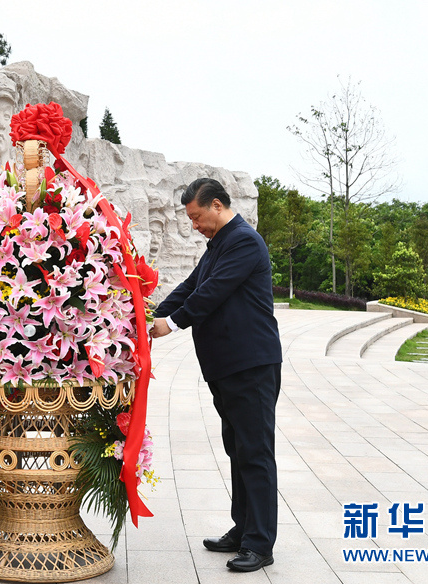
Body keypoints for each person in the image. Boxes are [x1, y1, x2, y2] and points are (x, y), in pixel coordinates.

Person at [151, 177, 282, 572]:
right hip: (228, 368)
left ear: (218, 205)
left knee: (255, 453)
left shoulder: (242, 240)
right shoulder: (218, 246)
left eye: (197, 217)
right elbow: (192, 286)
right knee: (238, 449)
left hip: (251, 365)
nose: (194, 225)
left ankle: (260, 544)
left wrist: (171, 325)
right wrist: (150, 314)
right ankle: (242, 530)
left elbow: (212, 293)